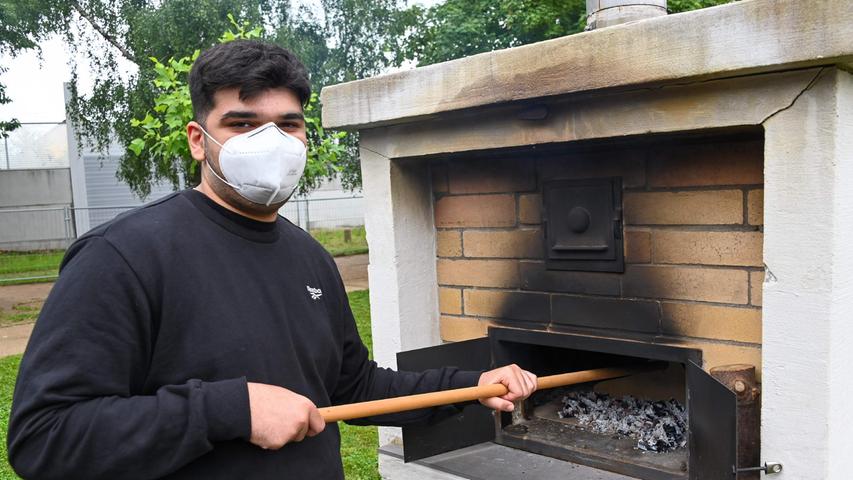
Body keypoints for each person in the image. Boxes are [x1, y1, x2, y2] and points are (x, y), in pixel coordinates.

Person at [6, 39, 537, 479]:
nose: (271, 142)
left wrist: (470, 385)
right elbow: (45, 437)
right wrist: (228, 410)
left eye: (288, 124)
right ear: (199, 139)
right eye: (242, 124)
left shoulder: (309, 256)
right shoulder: (123, 256)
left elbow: (353, 387)